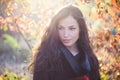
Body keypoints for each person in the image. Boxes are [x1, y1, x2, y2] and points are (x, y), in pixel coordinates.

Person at [32, 5, 101, 80]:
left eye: (71, 28)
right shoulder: (45, 57)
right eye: (61, 28)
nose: (65, 34)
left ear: (80, 29)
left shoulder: (89, 57)